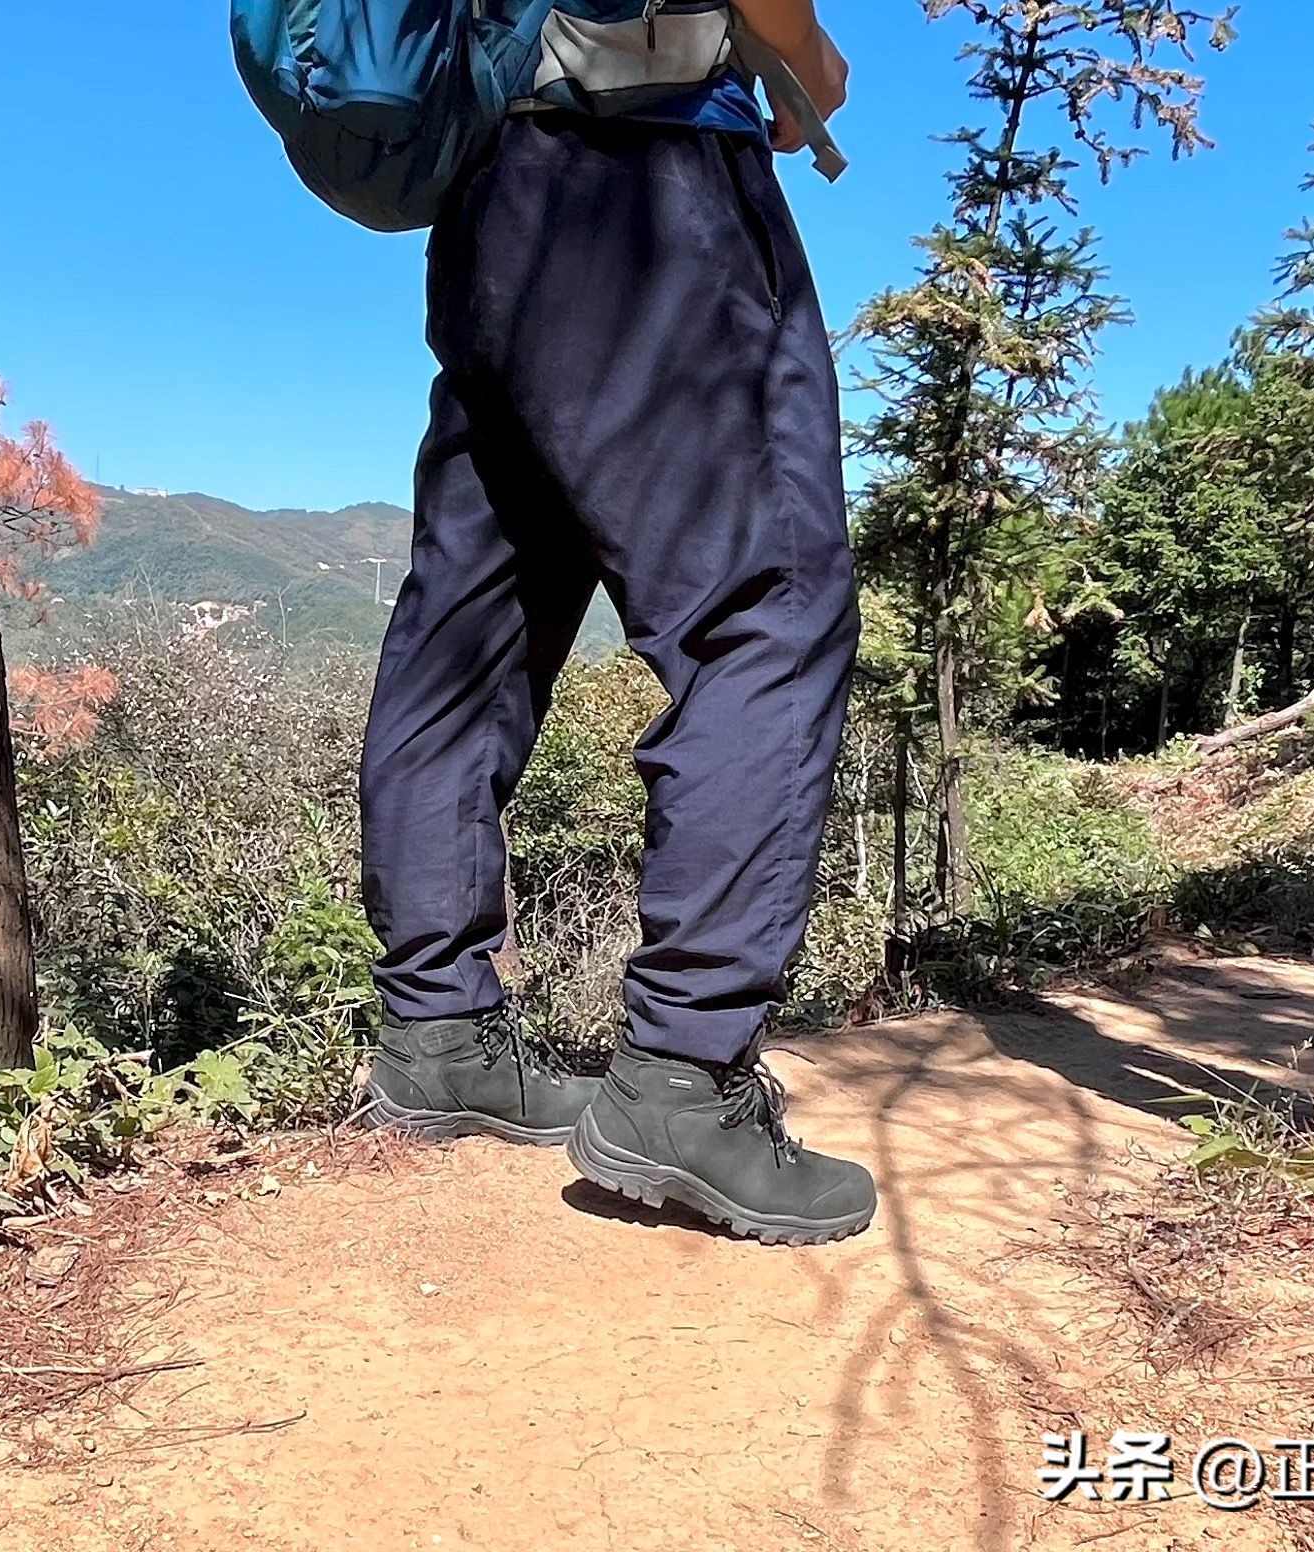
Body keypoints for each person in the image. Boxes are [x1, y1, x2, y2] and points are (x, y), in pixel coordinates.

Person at [354, 0, 874, 1246]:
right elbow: (793, 41)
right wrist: (810, 67)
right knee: (766, 610)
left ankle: (436, 1035)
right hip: (653, 188)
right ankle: (681, 1083)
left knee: (472, 625)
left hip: (494, 211)